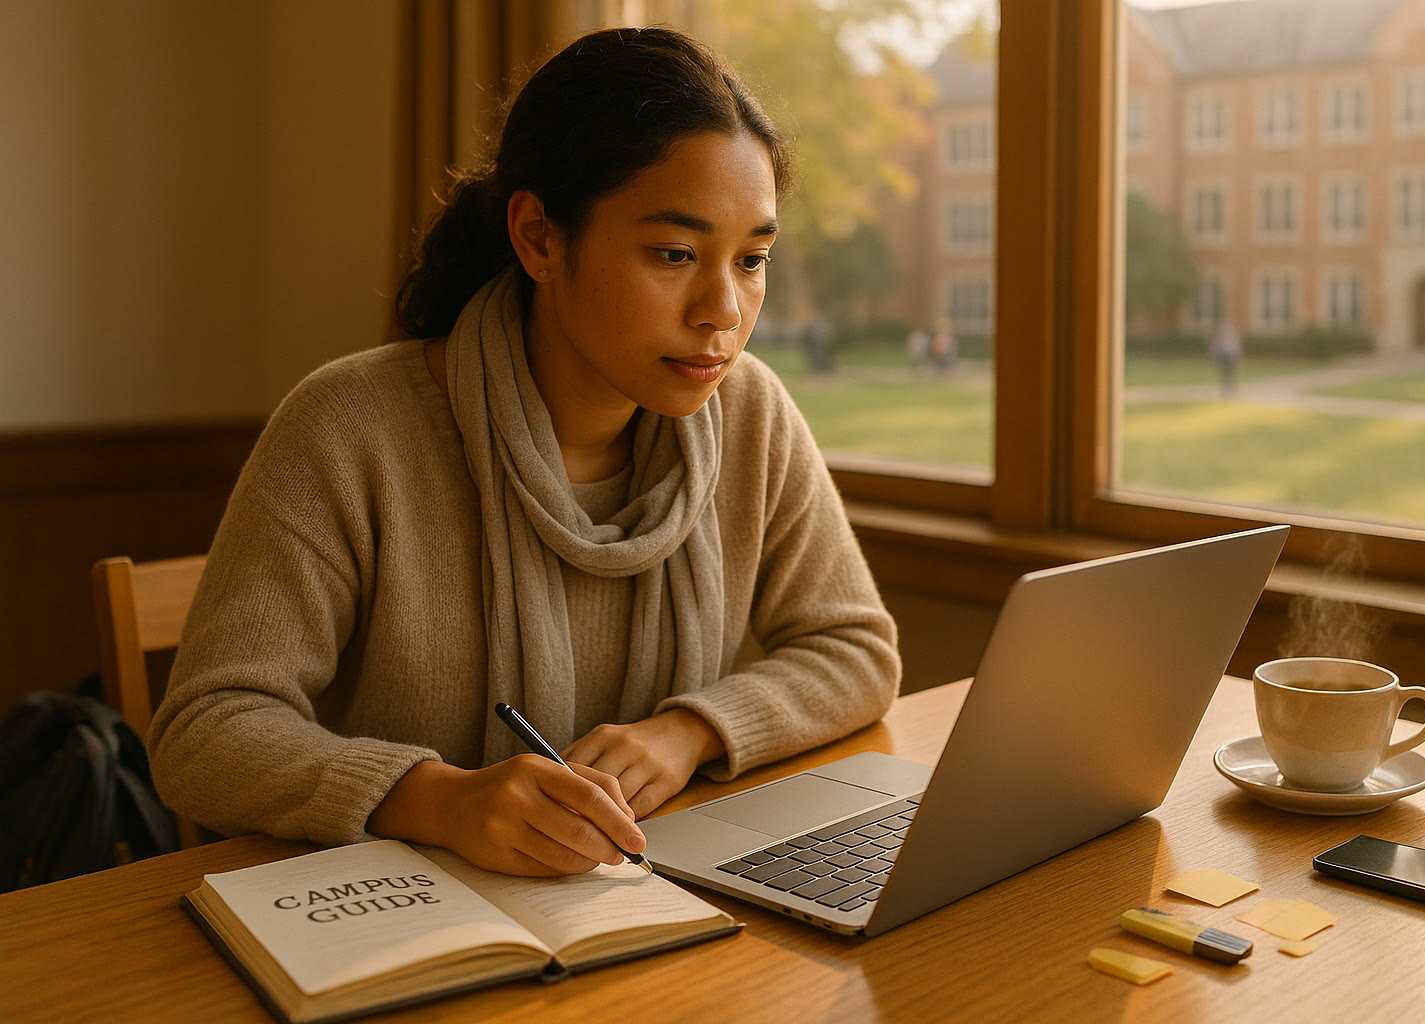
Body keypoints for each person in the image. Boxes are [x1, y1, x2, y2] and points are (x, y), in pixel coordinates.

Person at [147, 27, 900, 878]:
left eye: (754, 259)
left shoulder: (749, 409)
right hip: (399, 920)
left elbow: (856, 651)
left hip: (632, 906)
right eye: (675, 254)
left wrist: (688, 731)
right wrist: (435, 797)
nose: (723, 310)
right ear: (539, 236)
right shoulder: (348, 427)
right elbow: (204, 731)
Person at [1209, 321, 1241, 396]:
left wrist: (1237, 357)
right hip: (1223, 357)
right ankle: (1226, 385)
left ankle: (1230, 385)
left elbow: (1236, 348)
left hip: (1230, 357)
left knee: (1230, 372)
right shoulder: (1219, 339)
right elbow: (1214, 348)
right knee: (1224, 372)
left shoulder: (1232, 339)